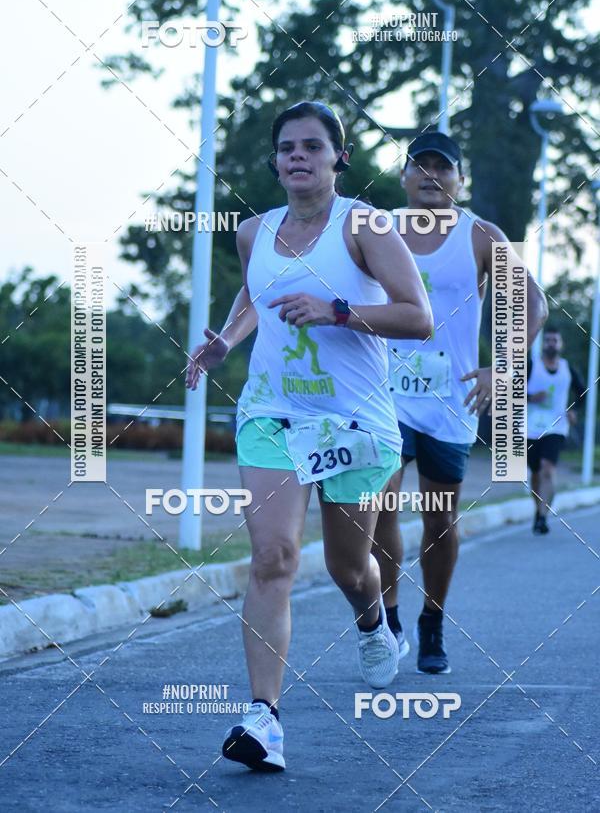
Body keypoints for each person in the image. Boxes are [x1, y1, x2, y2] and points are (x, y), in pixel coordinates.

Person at [186, 101, 433, 772]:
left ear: (337, 158)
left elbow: (419, 316)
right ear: (276, 161)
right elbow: (252, 297)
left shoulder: (365, 224)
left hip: (354, 422)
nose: (298, 156)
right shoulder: (253, 231)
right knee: (275, 557)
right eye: (288, 147)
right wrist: (225, 342)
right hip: (272, 413)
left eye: (313, 146)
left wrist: (337, 310)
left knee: (348, 567)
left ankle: (374, 618)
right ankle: (263, 719)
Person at [372, 130, 548, 675]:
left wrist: (503, 366)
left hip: (449, 402)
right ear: (403, 177)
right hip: (381, 398)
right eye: (419, 167)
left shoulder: (479, 235)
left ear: (458, 180)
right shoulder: (378, 231)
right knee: (379, 508)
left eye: (442, 168)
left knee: (440, 520)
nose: (430, 176)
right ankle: (390, 618)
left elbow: (533, 303)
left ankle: (432, 619)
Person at [527, 325, 586, 534]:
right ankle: (538, 510)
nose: (551, 344)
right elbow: (511, 391)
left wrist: (574, 410)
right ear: (543, 343)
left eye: (555, 340)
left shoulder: (567, 368)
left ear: (561, 344)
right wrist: (530, 398)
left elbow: (582, 393)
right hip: (530, 428)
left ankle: (543, 517)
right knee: (535, 474)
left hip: (557, 427)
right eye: (548, 340)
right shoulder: (531, 366)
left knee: (548, 470)